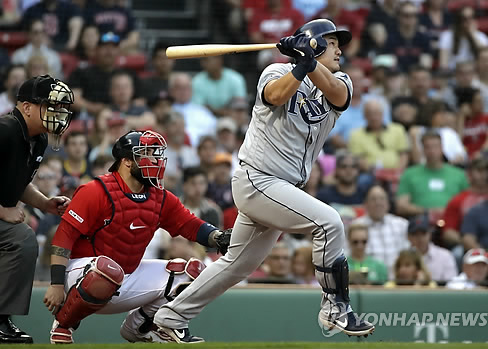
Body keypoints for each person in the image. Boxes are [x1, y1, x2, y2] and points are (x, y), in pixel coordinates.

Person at [154, 19, 375, 342]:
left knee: (236, 266)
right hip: (258, 179)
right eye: (331, 42)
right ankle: (334, 307)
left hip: (283, 189)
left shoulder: (340, 80)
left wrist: (309, 62)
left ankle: (169, 317)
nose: (340, 49)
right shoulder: (275, 72)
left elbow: (337, 94)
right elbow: (274, 96)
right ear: (312, 43)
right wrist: (299, 66)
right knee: (329, 223)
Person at [42, 130, 231, 344]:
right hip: (81, 276)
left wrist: (218, 237)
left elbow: (189, 224)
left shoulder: (160, 196)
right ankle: (64, 323)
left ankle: (139, 327)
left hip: (127, 274)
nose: (155, 160)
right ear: (126, 161)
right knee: (105, 270)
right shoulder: (95, 190)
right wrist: (56, 284)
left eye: (155, 153)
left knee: (191, 273)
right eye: (147, 154)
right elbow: (63, 237)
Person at [0, 74, 74, 344]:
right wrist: (2, 210)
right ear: (26, 107)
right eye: (51, 106)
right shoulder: (5, 129)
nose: (59, 113)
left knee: (20, 238)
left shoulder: (37, 139)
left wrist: (44, 202)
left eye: (62, 108)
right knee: (20, 238)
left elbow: (19, 182)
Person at [407, 215, 458, 283]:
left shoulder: (445, 256)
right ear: (408, 237)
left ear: (430, 234)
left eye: (423, 233)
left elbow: (451, 284)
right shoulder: (403, 258)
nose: (420, 238)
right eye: (415, 234)